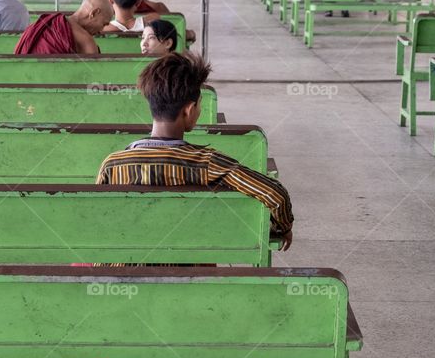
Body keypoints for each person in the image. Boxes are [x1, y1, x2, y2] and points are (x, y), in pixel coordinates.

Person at [95, 52, 294, 250]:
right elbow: (275, 194)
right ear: (189, 109)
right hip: (188, 270)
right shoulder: (209, 163)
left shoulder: (112, 164)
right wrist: (282, 228)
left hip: (121, 271)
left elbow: (96, 219)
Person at [14, 0, 112, 55]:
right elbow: (93, 77)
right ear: (94, 13)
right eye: (104, 24)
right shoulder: (86, 42)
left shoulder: (42, 24)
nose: (100, 31)